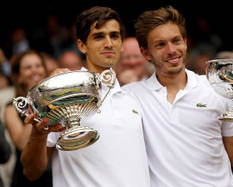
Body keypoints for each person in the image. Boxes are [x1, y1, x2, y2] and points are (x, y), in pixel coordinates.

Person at [123, 6, 233, 187]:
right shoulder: (130, 97)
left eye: (176, 41)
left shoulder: (217, 89)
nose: (171, 50)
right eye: (160, 44)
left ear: (185, 42)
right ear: (145, 53)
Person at [20, 6, 150, 187]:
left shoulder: (134, 96)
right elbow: (31, 172)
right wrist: (37, 134)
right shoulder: (62, 95)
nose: (108, 43)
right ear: (81, 45)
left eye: (114, 36)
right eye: (98, 36)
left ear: (121, 44)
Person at [3, 50, 52, 187]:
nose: (35, 71)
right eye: (28, 68)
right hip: (27, 178)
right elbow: (22, 143)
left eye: (38, 65)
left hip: (55, 173)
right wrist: (35, 101)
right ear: (19, 77)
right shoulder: (10, 109)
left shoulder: (54, 101)